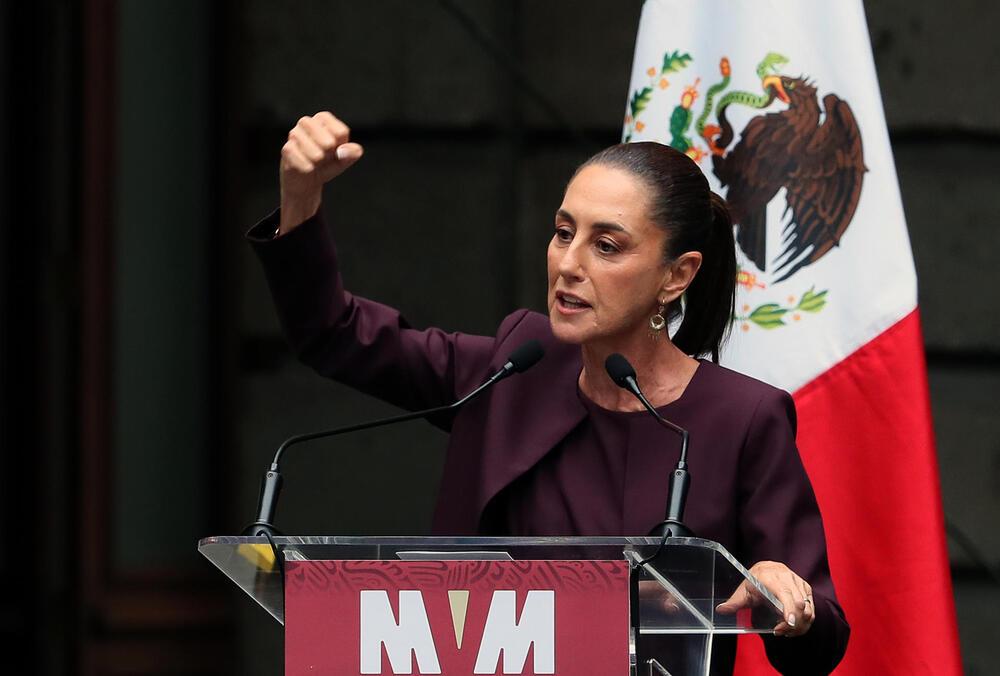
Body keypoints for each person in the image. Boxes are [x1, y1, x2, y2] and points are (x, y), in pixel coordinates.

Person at [248, 111, 849, 674]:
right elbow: (335, 334)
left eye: (606, 245)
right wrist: (300, 196)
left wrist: (786, 599)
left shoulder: (743, 417)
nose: (569, 263)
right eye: (564, 233)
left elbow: (820, 635)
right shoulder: (516, 365)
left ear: (677, 275)